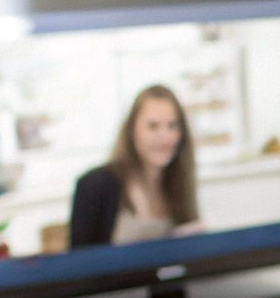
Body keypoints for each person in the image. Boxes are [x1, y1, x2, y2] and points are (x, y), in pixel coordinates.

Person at [69, 84, 203, 247]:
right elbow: (80, 264)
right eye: (152, 126)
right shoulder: (94, 186)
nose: (165, 137)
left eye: (172, 125)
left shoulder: (179, 183)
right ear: (132, 130)